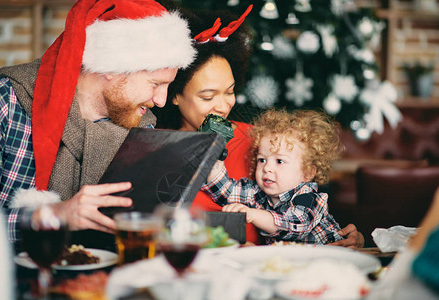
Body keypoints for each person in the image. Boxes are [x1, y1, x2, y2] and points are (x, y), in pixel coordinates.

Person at [0, 0, 196, 249]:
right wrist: (54, 215)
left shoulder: (140, 125)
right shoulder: (3, 101)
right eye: (155, 84)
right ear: (114, 68)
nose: (161, 101)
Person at [153, 6, 364, 248]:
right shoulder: (153, 147)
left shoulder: (260, 141)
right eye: (208, 96)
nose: (222, 106)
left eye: (230, 92)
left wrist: (347, 239)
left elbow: (297, 213)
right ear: (174, 94)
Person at [202, 109, 344, 245]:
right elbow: (226, 190)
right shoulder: (259, 194)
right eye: (262, 160)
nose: (267, 168)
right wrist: (216, 159)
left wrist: (253, 214)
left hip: (328, 260)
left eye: (279, 161)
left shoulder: (309, 198)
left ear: (307, 172)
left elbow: (295, 225)